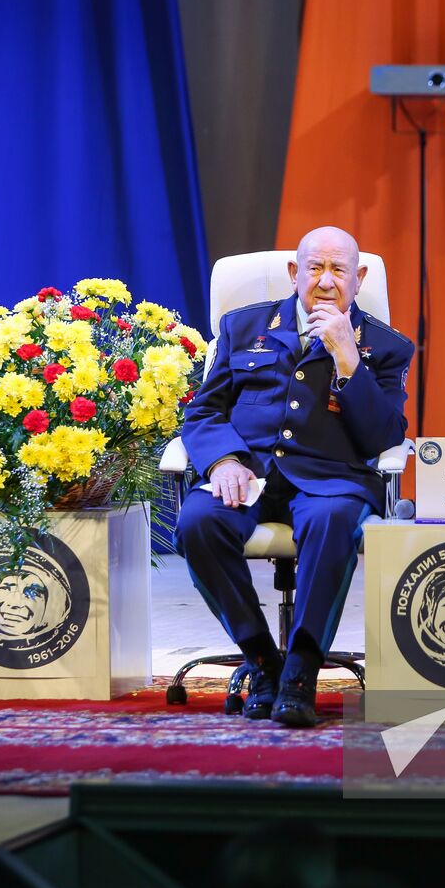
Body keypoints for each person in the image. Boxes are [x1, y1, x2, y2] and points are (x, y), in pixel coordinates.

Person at [178, 226, 413, 727]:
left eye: (339, 270)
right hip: (248, 473)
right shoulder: (244, 328)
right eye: (315, 268)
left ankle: (300, 674)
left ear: (359, 278)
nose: (326, 281)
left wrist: (349, 360)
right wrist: (222, 461)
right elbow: (203, 413)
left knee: (332, 520)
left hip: (331, 479)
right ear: (294, 273)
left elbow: (384, 436)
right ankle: (263, 661)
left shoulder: (386, 348)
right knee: (198, 521)